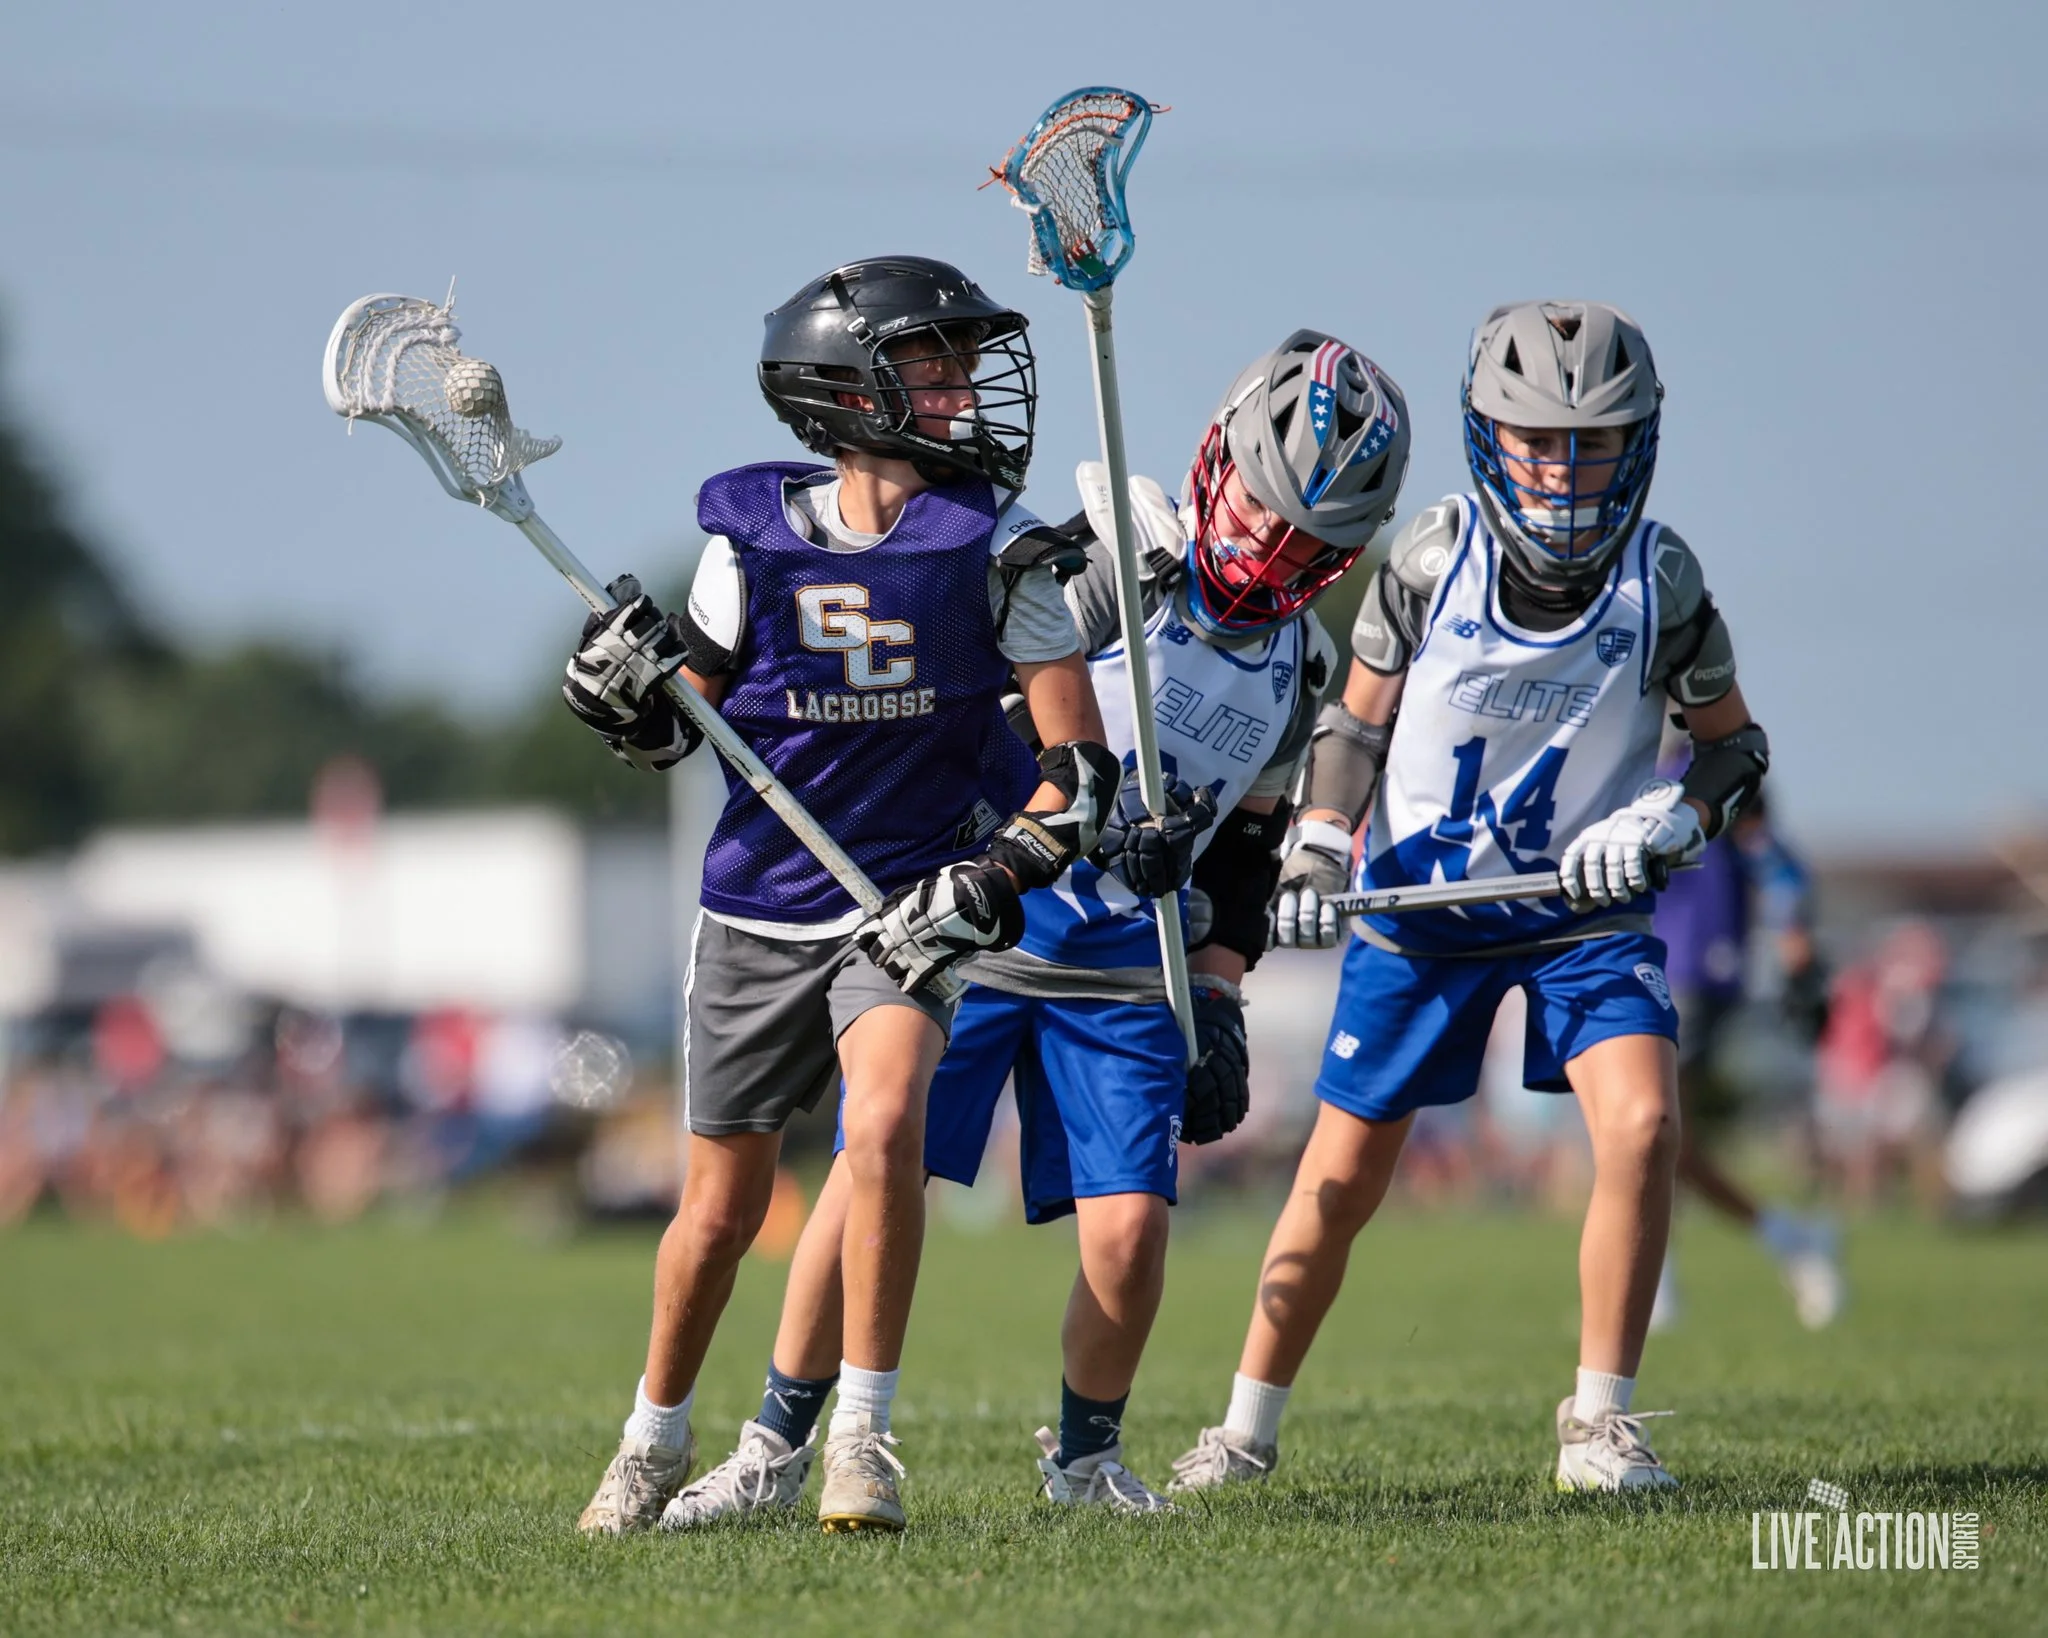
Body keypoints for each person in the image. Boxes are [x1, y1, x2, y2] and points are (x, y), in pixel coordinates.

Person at [655, 333, 1408, 1525]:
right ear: (1218, 471)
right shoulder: (1103, 573)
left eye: (1307, 545)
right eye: (1262, 515)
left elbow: (1250, 854)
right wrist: (1101, 807)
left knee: (1126, 1236)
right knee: (867, 1173)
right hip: (981, 919)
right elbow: (996, 724)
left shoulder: (1298, 663)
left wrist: (1214, 994)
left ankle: (1085, 1461)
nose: (1270, 552)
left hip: (1121, 960)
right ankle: (773, 1445)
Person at [1169, 301, 1771, 1495]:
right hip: (1420, 914)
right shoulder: (1431, 558)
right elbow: (1354, 722)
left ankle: (1599, 1422)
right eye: (1537, 438)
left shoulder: (1660, 580)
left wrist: (1668, 815)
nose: (1561, 466)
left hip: (1577, 912)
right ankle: (1239, 1433)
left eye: (1589, 441)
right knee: (1336, 1183)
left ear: (1636, 442)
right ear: (1490, 436)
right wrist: (1319, 847)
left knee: (1643, 1127)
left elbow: (1731, 751)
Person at [562, 256, 1119, 1535]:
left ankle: (861, 1436)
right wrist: (621, 706)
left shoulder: (1001, 550)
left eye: (963, 365)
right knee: (717, 1215)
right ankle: (650, 1440)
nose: (964, 390)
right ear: (841, 390)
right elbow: (682, 735)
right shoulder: (743, 543)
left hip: (908, 899)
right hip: (758, 901)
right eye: (932, 365)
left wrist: (991, 878)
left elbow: (1075, 778)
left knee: (881, 1132)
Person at [1650, 781, 1843, 1330]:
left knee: (1649, 1131)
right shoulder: (1641, 754)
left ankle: (1664, 1283)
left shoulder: (1713, 759)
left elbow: (1770, 853)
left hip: (1696, 971)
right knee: (1659, 1139)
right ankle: (1787, 1241)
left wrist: (1795, 935)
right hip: (1652, 962)